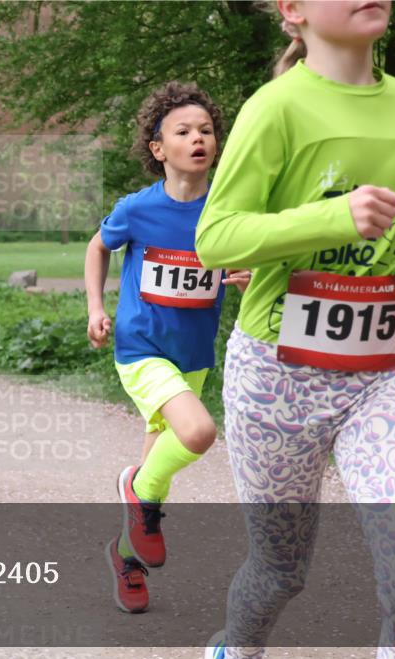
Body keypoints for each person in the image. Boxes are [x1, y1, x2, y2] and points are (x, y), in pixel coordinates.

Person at [195, 2, 395, 659]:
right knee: (278, 571)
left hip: (382, 370)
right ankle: (234, 650)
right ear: (293, 11)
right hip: (276, 376)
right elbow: (215, 238)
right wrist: (333, 218)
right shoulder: (275, 108)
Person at [84, 82, 249, 614]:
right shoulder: (138, 209)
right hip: (141, 347)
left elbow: (251, 261)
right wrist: (95, 307)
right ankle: (134, 488)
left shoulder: (229, 210)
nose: (198, 138)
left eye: (206, 130)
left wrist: (249, 274)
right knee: (198, 433)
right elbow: (97, 246)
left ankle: (126, 557)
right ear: (159, 149)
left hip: (194, 354)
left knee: (161, 462)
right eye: (183, 131)